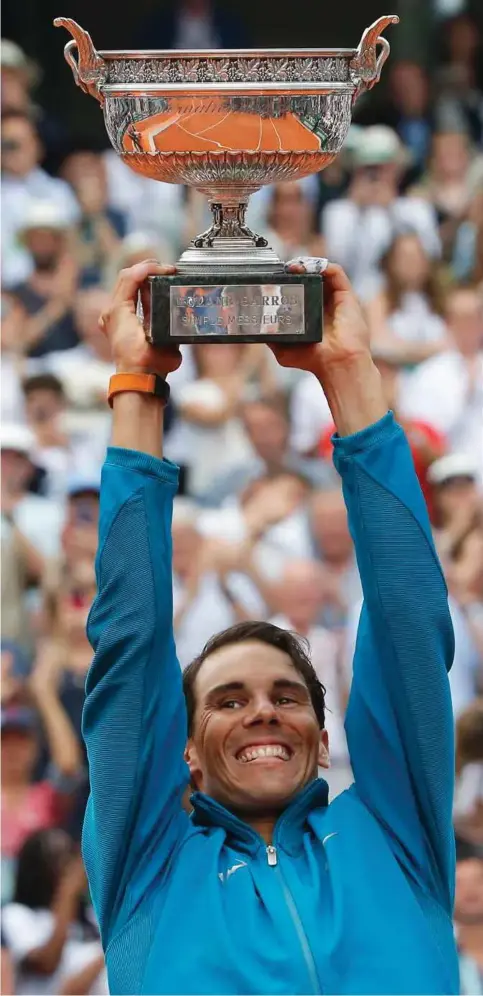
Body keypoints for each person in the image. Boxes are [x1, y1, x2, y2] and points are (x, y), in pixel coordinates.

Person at [80, 256, 458, 994]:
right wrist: (136, 384)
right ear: (184, 749)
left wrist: (349, 373)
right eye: (227, 700)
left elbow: (408, 621)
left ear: (323, 739)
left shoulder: (395, 833)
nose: (262, 711)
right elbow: (130, 645)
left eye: (287, 697)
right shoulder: (149, 867)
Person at [1, 829, 107, 996]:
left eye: (70, 855)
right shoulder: (16, 915)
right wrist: (67, 893)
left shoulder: (90, 918)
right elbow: (47, 963)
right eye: (59, 857)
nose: (69, 865)